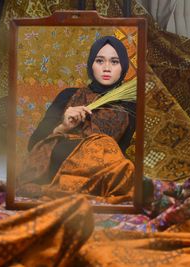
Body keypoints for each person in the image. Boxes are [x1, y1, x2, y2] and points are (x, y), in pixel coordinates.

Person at [17, 36, 136, 203]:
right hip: (58, 168)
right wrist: (63, 127)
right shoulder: (68, 95)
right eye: (100, 61)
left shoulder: (129, 105)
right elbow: (34, 143)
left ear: (123, 66)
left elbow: (118, 153)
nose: (107, 68)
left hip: (99, 173)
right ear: (91, 65)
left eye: (114, 62)